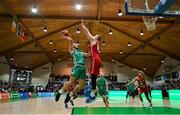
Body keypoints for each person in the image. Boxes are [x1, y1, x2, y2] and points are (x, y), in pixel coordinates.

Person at [55, 30, 89, 103]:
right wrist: (65, 36)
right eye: (74, 44)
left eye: (76, 44)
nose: (76, 44)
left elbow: (89, 55)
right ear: (73, 46)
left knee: (81, 86)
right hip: (77, 67)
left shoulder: (81, 52)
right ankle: (59, 92)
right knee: (70, 82)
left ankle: (70, 95)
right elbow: (70, 40)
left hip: (83, 68)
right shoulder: (72, 51)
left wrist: (92, 47)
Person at [81, 20, 102, 97]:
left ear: (97, 38)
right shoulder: (96, 45)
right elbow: (88, 54)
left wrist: (83, 26)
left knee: (93, 76)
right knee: (94, 76)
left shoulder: (94, 40)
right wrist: (81, 53)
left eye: (95, 35)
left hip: (95, 59)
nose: (94, 36)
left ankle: (93, 92)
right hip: (97, 59)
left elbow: (87, 34)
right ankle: (95, 91)